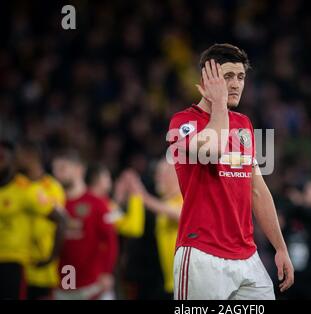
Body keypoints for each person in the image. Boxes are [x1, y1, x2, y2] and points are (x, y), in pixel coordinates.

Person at [167, 43, 294, 300]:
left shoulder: (244, 124)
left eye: (241, 77)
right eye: (227, 77)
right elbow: (211, 151)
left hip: (247, 256)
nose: (236, 84)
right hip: (202, 254)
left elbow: (257, 191)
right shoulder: (182, 122)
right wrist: (220, 105)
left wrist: (280, 247)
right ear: (207, 80)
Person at [0, 140, 64, 300]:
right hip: (24, 263)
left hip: (38, 266)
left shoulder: (46, 188)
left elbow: (60, 221)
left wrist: (51, 256)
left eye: (17, 155)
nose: (14, 159)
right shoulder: (18, 186)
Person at [51, 150, 118, 300]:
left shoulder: (97, 204)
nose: (57, 174)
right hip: (62, 284)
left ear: (79, 169)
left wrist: (107, 272)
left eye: (62, 168)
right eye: (54, 169)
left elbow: (110, 241)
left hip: (93, 285)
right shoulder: (53, 205)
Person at [139, 158, 183, 299]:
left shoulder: (185, 199)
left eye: (161, 173)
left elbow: (178, 214)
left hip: (186, 284)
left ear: (175, 174)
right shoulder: (163, 205)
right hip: (169, 284)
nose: (156, 178)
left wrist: (142, 195)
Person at [85, 164, 145, 238]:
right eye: (106, 177)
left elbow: (114, 218)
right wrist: (136, 194)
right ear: (96, 179)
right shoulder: (99, 204)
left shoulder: (102, 202)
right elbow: (133, 228)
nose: (110, 180)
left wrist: (117, 199)